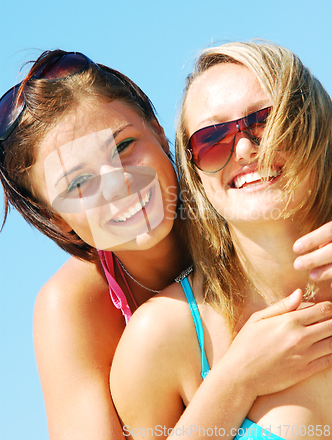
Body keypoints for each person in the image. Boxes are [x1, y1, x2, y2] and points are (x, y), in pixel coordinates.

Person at [1, 48, 332, 440]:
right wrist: (238, 377)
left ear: (159, 131)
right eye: (78, 183)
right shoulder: (75, 305)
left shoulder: (247, 194)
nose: (118, 184)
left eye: (123, 147)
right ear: (56, 218)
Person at [111, 41, 332, 440]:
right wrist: (236, 379)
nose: (245, 148)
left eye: (265, 120)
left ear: (315, 122)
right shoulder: (162, 337)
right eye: (212, 139)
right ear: (196, 175)